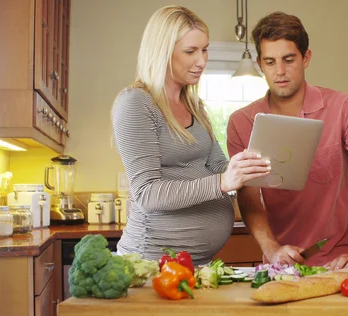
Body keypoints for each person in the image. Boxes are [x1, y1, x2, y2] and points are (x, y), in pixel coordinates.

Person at [227, 12, 348, 270]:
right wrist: (272, 249)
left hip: (339, 263)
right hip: (280, 265)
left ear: (306, 58)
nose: (280, 71)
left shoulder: (343, 107)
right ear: (259, 64)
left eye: (288, 59)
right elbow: (249, 198)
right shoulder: (241, 122)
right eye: (270, 62)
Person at [111, 6, 271, 264]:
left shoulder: (195, 107)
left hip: (196, 264)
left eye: (205, 49)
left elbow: (216, 165)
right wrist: (222, 182)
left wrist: (247, 165)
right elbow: (148, 194)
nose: (202, 61)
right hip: (151, 263)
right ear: (162, 52)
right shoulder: (136, 104)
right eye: (190, 51)